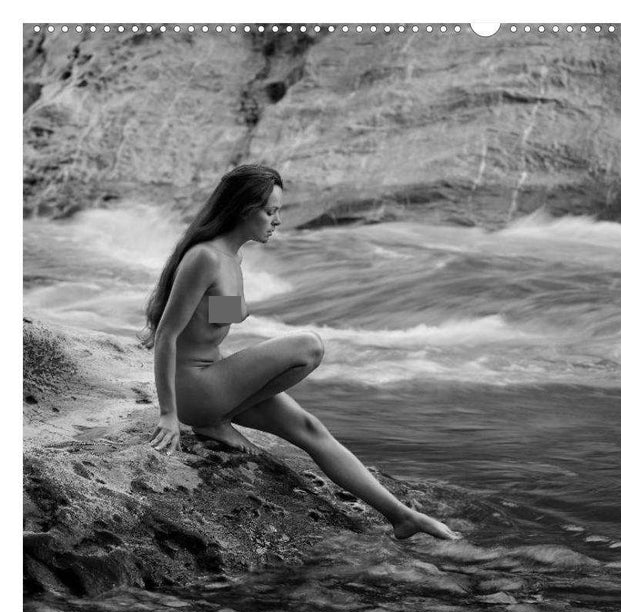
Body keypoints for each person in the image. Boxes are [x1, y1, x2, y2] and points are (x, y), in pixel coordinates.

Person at [139, 164, 458, 540]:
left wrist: (233, 310)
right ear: (244, 210)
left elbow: (212, 315)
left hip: (212, 379)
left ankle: (402, 517)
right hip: (196, 388)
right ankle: (212, 421)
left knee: (309, 428)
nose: (278, 221)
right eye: (270, 212)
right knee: (309, 346)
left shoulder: (231, 257)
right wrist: (168, 414)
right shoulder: (205, 257)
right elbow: (166, 336)